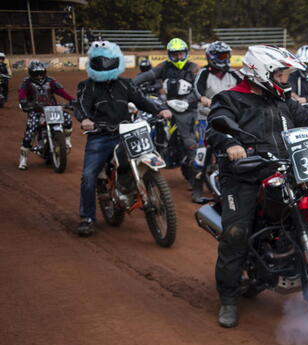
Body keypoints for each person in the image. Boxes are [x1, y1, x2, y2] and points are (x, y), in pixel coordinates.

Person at [206, 45, 308, 328]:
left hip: (286, 170)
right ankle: (229, 298)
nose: (286, 79)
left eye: (287, 73)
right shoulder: (231, 99)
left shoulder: (283, 101)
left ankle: (306, 268)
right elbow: (215, 128)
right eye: (281, 73)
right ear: (262, 72)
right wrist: (231, 144)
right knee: (236, 232)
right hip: (244, 175)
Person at [74, 41, 171, 237]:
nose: (104, 64)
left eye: (108, 60)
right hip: (100, 135)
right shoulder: (87, 86)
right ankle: (87, 218)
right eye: (100, 60)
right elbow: (81, 105)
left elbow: (142, 101)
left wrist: (160, 110)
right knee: (88, 176)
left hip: (126, 133)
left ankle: (127, 189)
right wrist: (84, 119)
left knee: (142, 157)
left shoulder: (125, 84)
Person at [134, 38, 201, 187]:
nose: (178, 57)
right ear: (169, 55)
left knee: (188, 139)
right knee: (147, 123)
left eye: (181, 54)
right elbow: (148, 75)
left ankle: (195, 178)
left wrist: (188, 101)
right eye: (175, 54)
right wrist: (130, 85)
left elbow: (199, 88)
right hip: (168, 105)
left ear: (186, 53)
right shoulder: (164, 66)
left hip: (188, 108)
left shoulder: (194, 68)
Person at [193, 41, 243, 203]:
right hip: (206, 117)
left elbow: (246, 89)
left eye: (227, 55)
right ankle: (197, 188)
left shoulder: (235, 74)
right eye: (221, 56)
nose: (225, 59)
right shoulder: (203, 73)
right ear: (211, 57)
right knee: (203, 150)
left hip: (232, 117)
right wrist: (204, 99)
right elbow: (197, 91)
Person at [17, 60, 75, 170]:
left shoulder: (51, 81)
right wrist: (23, 102)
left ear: (45, 72)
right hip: (36, 109)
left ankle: (66, 139)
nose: (39, 76)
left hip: (52, 109)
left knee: (67, 118)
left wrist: (72, 100)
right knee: (31, 129)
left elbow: (62, 92)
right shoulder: (26, 82)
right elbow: (22, 94)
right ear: (30, 73)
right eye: (36, 73)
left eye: (41, 73)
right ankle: (23, 158)